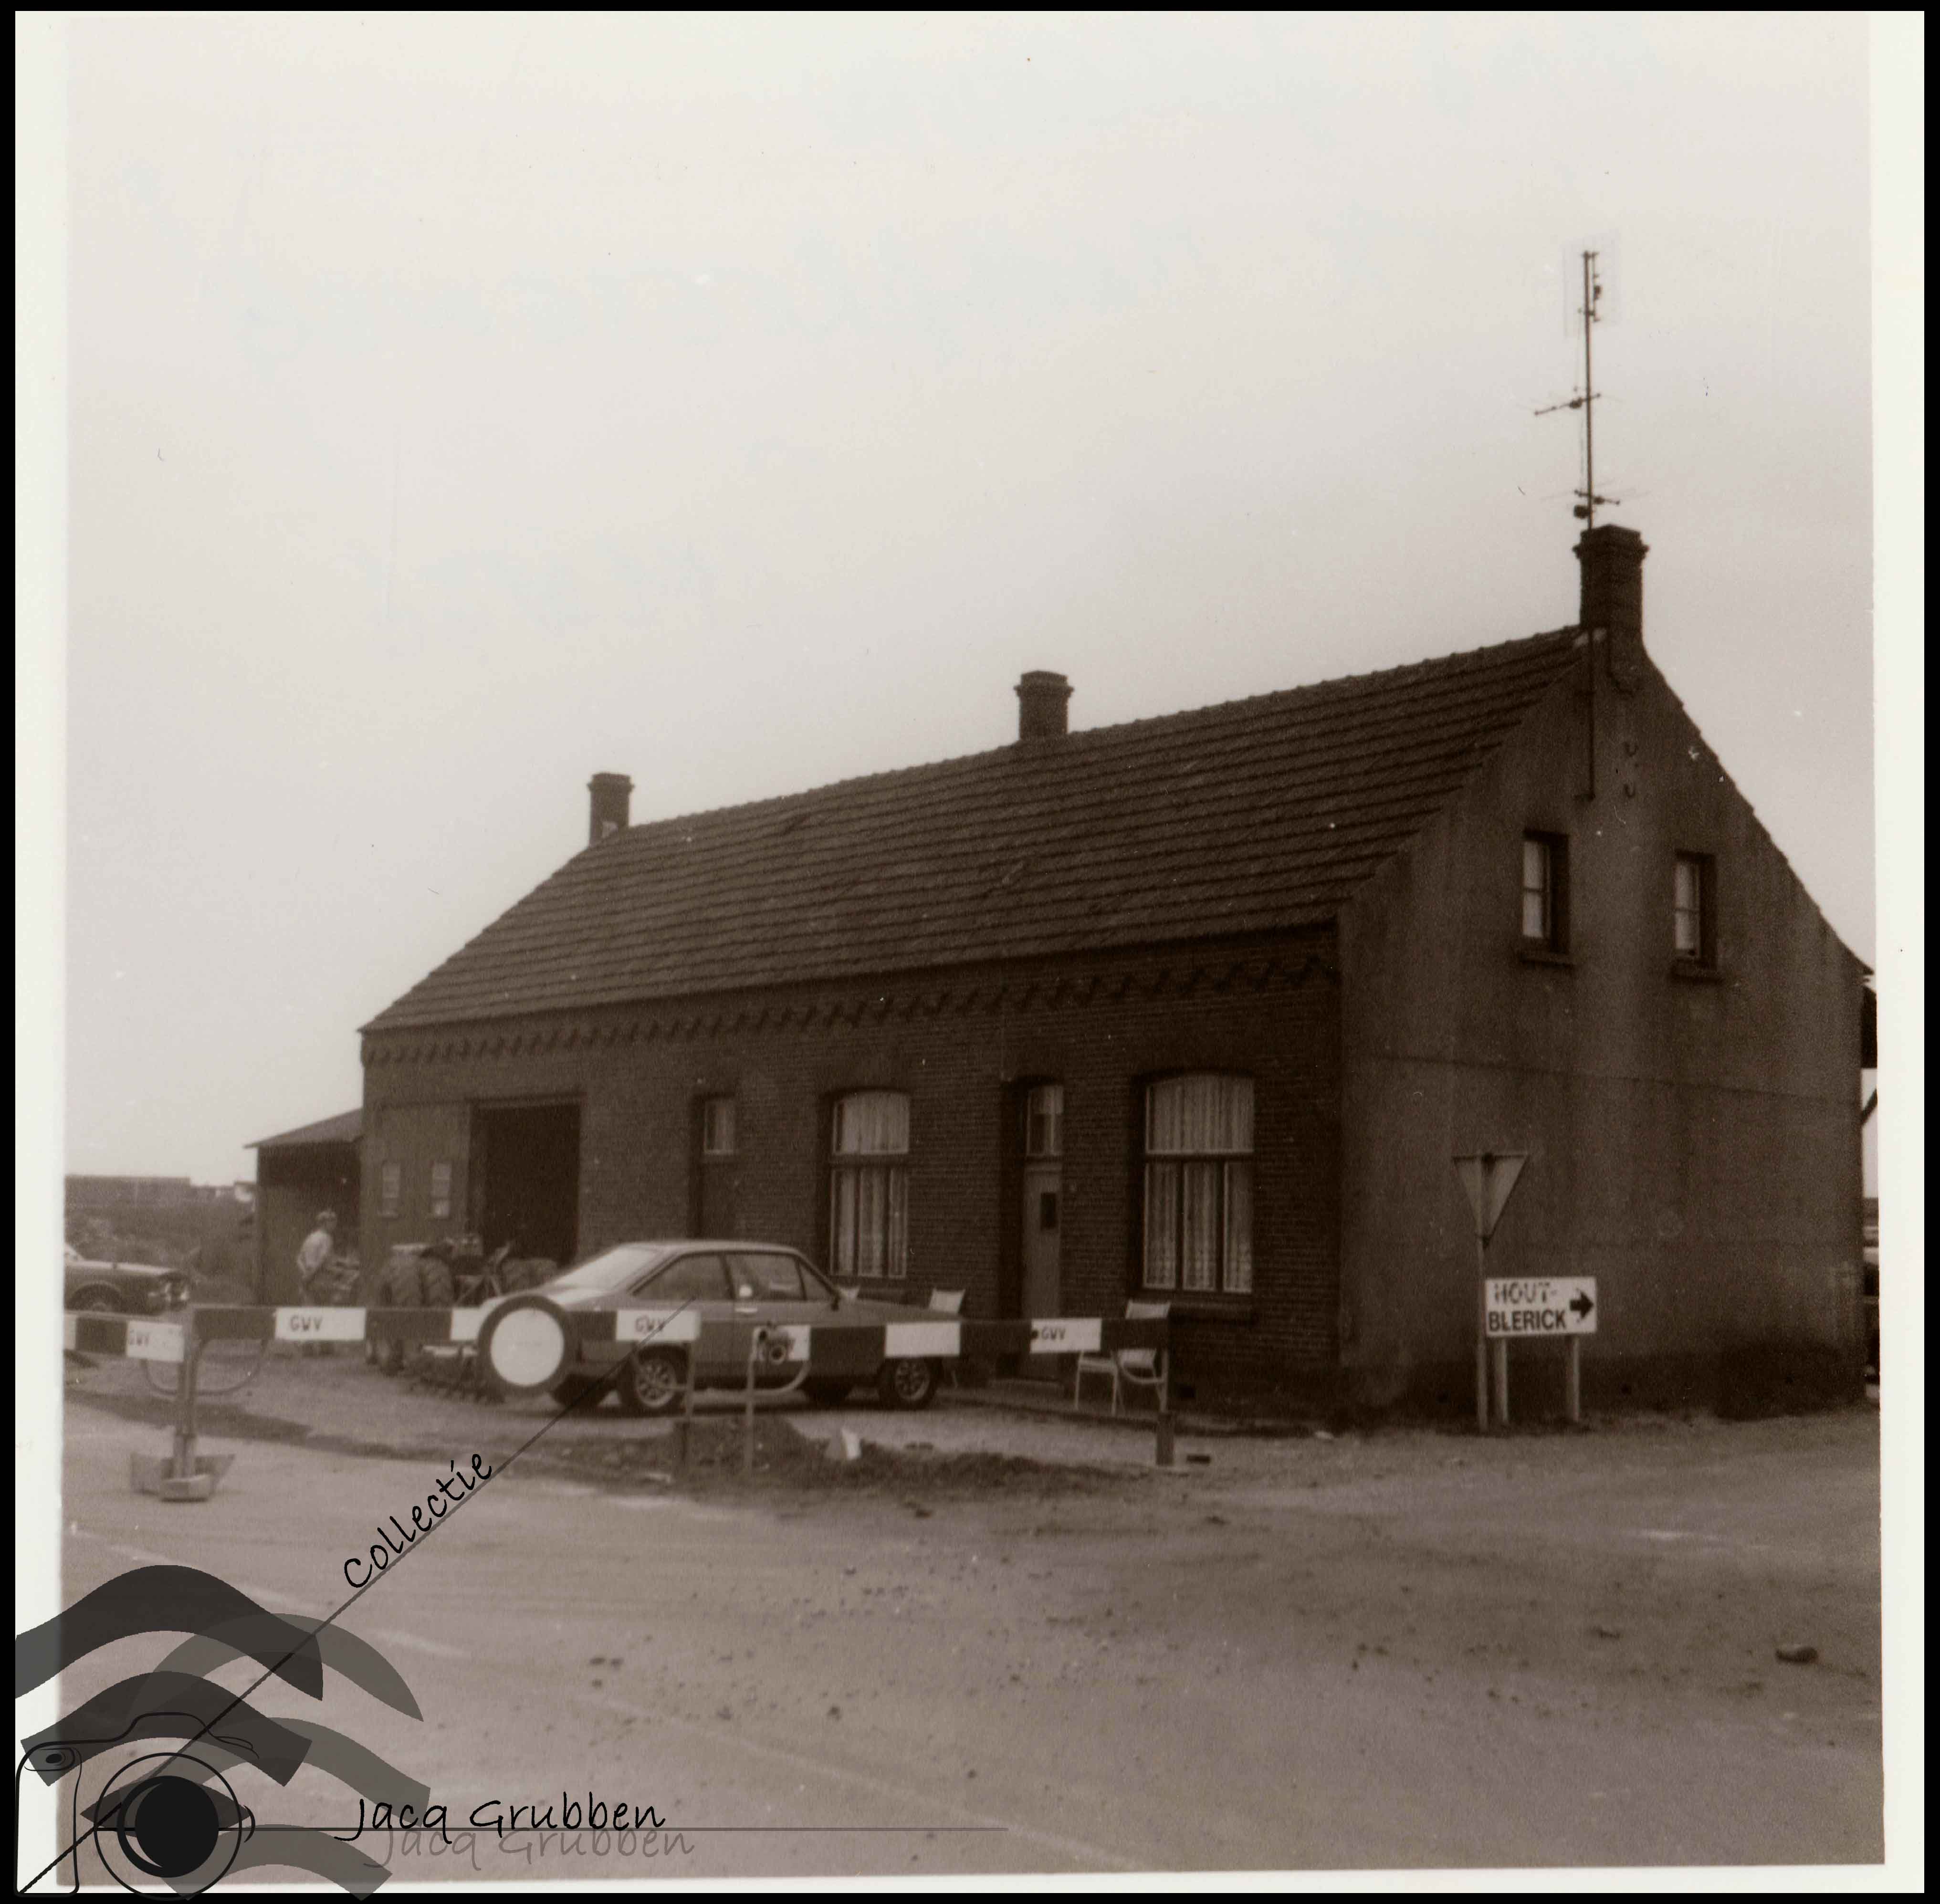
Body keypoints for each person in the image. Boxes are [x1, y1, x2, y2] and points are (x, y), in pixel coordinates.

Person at [295, 1210, 339, 1359]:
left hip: (309, 1278)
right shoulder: (326, 1239)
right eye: (332, 1222)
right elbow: (322, 1259)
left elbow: (299, 1258)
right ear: (324, 1223)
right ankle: (326, 1347)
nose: (334, 1225)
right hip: (322, 1279)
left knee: (309, 1311)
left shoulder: (310, 1238)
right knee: (326, 1311)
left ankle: (307, 1347)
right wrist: (311, 1275)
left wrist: (305, 1275)